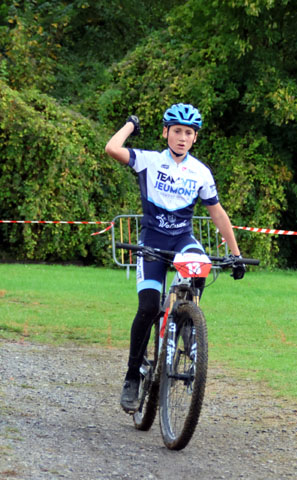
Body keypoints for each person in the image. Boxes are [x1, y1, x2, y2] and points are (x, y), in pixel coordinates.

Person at [104, 103, 245, 413]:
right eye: (177, 131)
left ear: (195, 138)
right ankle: (131, 377)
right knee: (149, 307)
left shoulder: (200, 172)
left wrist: (236, 255)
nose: (182, 138)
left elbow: (217, 213)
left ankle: (187, 326)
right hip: (153, 240)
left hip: (183, 240)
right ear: (166, 132)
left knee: (200, 268)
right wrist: (130, 125)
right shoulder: (149, 161)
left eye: (189, 133)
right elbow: (112, 148)